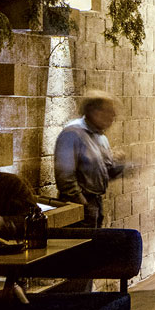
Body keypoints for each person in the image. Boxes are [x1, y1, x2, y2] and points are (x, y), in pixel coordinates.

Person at [54, 91, 124, 228]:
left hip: (95, 203)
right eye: (109, 111)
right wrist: (82, 204)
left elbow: (105, 172)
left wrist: (121, 165)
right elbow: (65, 178)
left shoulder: (100, 137)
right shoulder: (72, 134)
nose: (113, 116)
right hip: (79, 206)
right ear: (94, 111)